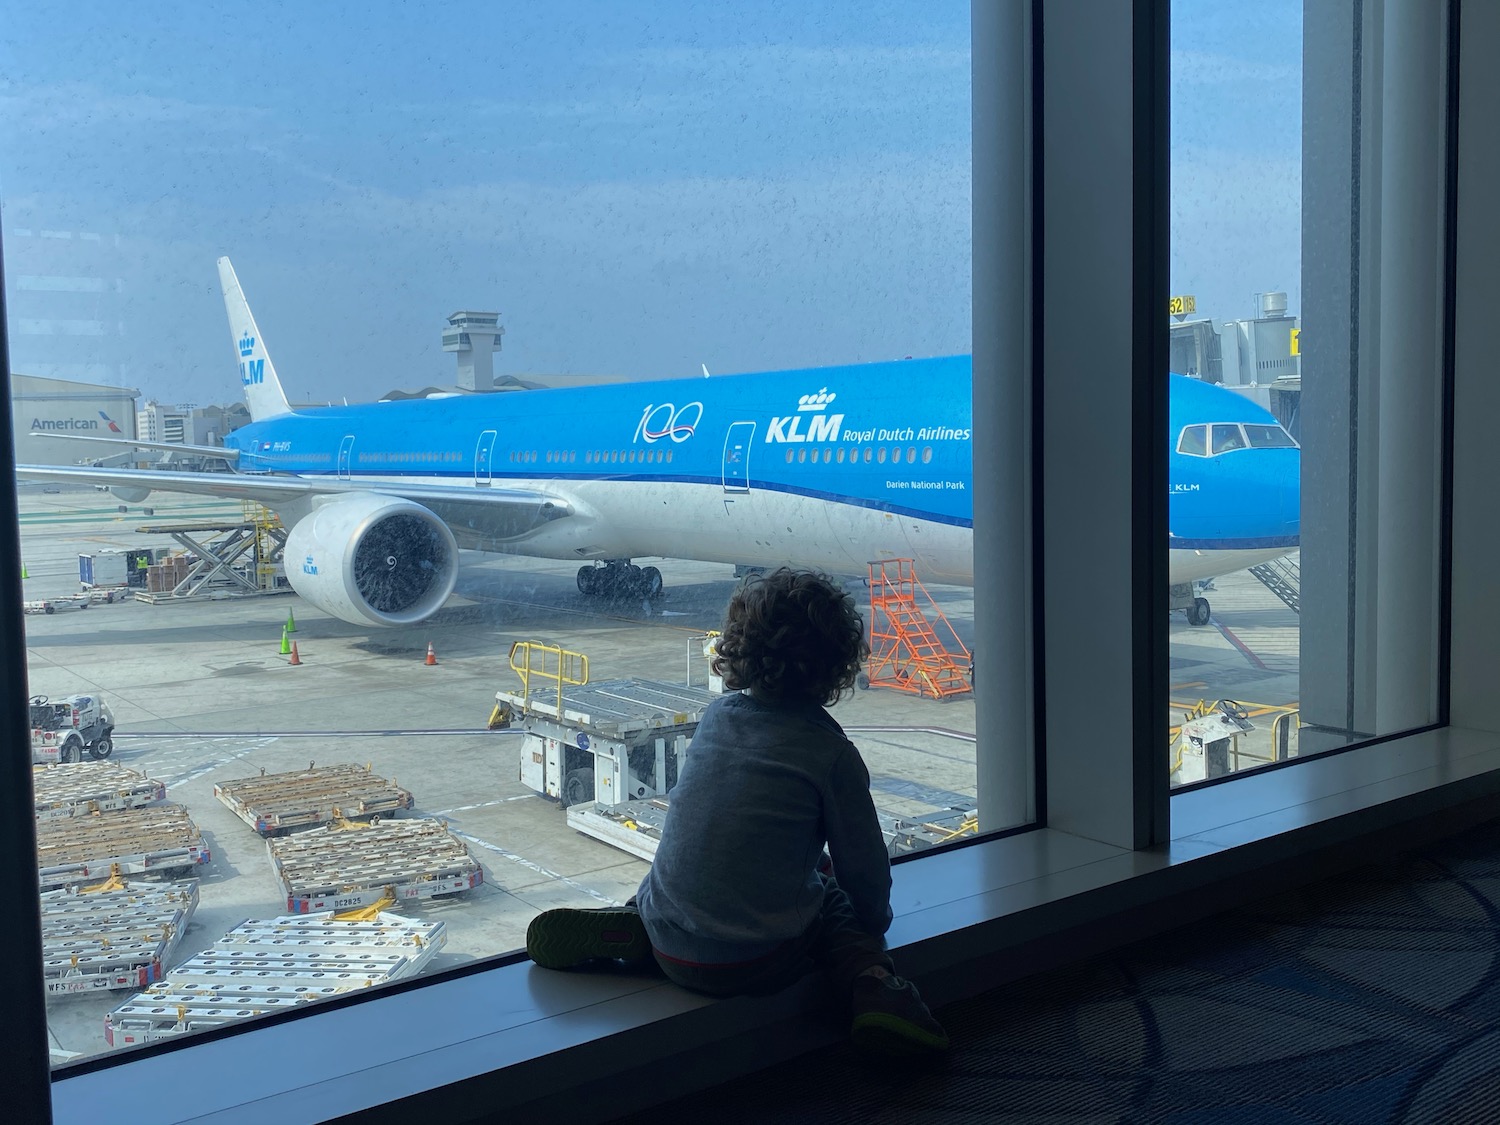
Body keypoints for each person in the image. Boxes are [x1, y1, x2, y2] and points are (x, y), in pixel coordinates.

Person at [526, 567, 949, 1056]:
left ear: (738, 650)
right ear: (838, 663)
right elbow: (866, 873)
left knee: (675, 871)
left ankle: (636, 927)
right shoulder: (830, 752)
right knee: (832, 898)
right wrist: (871, 928)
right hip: (752, 962)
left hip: (670, 939)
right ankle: (876, 990)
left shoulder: (717, 716)